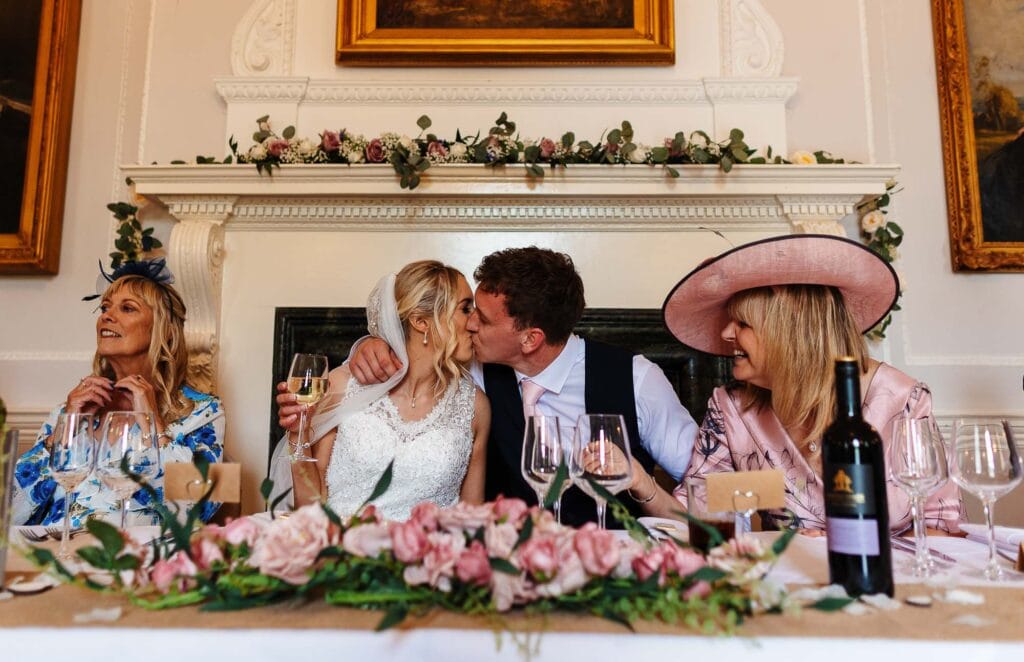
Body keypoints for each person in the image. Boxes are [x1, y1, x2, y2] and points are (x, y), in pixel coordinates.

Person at [282, 247, 698, 527]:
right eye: (468, 310)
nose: (470, 324)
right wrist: (371, 345)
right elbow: (415, 356)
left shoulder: (636, 380)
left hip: (609, 564)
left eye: (480, 316)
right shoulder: (472, 369)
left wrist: (647, 493)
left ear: (530, 339)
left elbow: (705, 485)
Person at [661, 234, 963, 533]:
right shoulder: (733, 410)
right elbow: (698, 508)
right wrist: (642, 485)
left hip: (887, 566)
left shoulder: (902, 401)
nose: (726, 333)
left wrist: (845, 545)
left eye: (742, 323)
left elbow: (944, 528)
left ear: (790, 331)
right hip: (786, 566)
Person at [13, 260, 225, 527]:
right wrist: (62, 432)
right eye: (105, 307)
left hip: (135, 551)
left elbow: (199, 511)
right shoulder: (69, 410)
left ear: (165, 330)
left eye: (127, 308)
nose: (107, 316)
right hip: (55, 548)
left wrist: (151, 423)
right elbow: (11, 512)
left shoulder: (205, 412)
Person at [273, 260, 489, 520]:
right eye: (465, 309)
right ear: (421, 321)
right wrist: (298, 433)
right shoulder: (343, 385)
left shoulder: (474, 406)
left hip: (428, 546)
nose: (475, 323)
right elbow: (309, 506)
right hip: (345, 543)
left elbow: (472, 518)